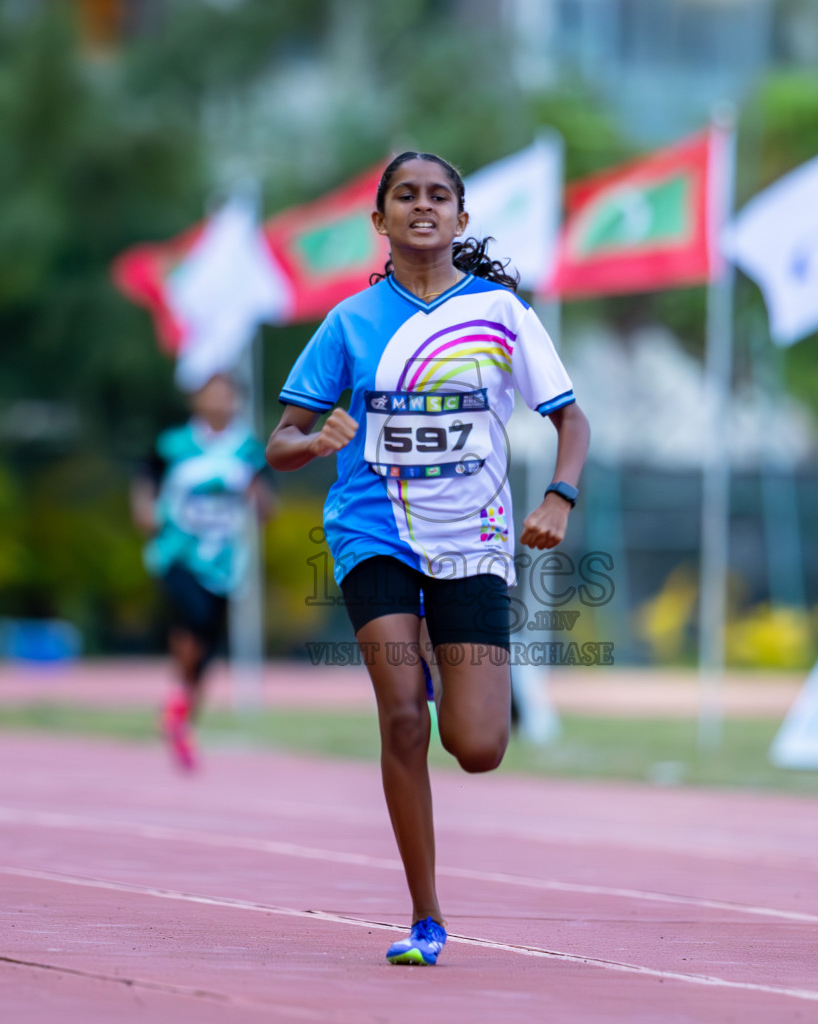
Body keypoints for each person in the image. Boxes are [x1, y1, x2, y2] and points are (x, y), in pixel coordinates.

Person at [266, 152, 589, 966]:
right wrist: (315, 438)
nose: (422, 207)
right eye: (404, 196)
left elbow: (572, 421)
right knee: (403, 716)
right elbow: (278, 443)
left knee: (478, 747)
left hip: (472, 540)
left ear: (460, 218)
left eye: (438, 196)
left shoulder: (502, 315)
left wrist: (559, 497)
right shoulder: (348, 324)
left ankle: (451, 668)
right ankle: (426, 915)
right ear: (379, 222)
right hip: (373, 532)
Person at [132, 369, 272, 772]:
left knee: (208, 645)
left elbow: (266, 507)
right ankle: (178, 703)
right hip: (176, 551)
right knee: (191, 616)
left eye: (227, 396)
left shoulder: (248, 449)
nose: (219, 403)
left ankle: (181, 714)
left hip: (225, 563)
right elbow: (145, 478)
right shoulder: (174, 444)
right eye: (212, 395)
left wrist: (256, 495)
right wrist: (143, 508)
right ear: (197, 400)